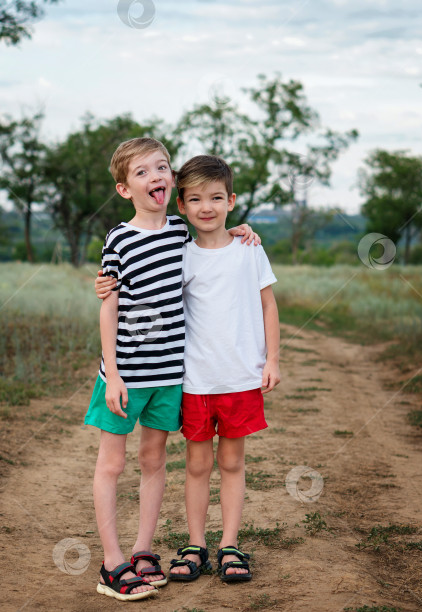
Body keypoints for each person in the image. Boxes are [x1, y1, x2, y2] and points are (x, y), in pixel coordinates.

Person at [85, 137, 258, 601]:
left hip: (168, 378)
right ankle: (111, 562)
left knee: (153, 461)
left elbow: (213, 237)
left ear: (172, 182)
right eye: (141, 173)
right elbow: (109, 305)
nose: (154, 177)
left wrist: (243, 230)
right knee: (113, 463)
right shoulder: (119, 238)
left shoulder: (182, 233)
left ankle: (143, 551)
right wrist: (114, 373)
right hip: (124, 377)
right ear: (125, 190)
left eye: (161, 167)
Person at [167, 155, 281, 584]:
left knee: (232, 462)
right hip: (196, 380)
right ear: (181, 205)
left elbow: (268, 305)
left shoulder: (249, 249)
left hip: (240, 378)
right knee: (197, 466)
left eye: (216, 197)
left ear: (231, 201)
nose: (206, 207)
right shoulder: (181, 256)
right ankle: (196, 545)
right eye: (195, 199)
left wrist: (272, 359)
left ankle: (230, 545)